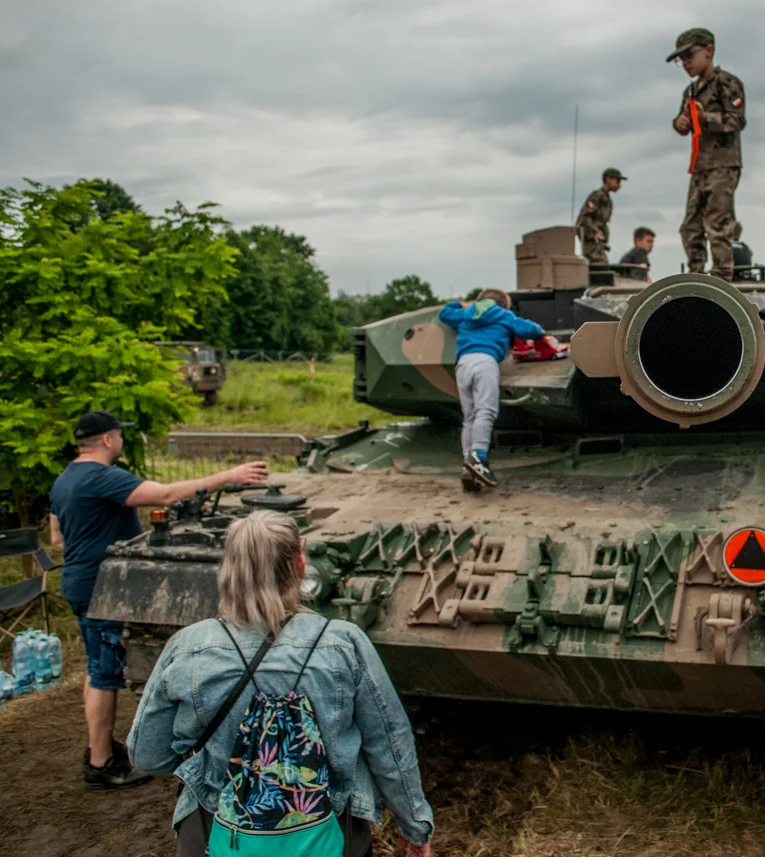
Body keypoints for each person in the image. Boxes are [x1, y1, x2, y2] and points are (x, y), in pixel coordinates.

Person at [127, 511, 434, 857]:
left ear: (227, 569)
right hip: (329, 833)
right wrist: (415, 825)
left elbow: (146, 755)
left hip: (217, 833)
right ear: (300, 566)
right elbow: (389, 744)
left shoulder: (187, 646)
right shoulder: (343, 643)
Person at [48, 409, 268, 791]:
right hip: (104, 588)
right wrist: (228, 476)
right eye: (119, 435)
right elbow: (165, 494)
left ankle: (100, 747)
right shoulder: (102, 476)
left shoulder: (65, 479)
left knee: (95, 665)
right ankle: (101, 765)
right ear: (107, 439)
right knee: (104, 674)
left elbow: (56, 538)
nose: (120, 440)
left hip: (78, 581)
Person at [438, 290, 545, 487]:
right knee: (486, 411)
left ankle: (468, 465)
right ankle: (479, 458)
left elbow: (444, 313)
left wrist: (460, 303)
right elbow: (532, 330)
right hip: (485, 362)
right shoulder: (504, 315)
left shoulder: (467, 313)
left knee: (469, 416)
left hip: (463, 364)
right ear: (503, 304)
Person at [668, 28, 745, 281]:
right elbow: (682, 124)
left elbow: (737, 120)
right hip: (700, 165)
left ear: (709, 50)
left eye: (689, 55)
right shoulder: (691, 92)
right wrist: (680, 123)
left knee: (717, 223)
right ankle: (696, 278)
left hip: (723, 163)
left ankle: (721, 278)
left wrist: (706, 118)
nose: (685, 63)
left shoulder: (727, 83)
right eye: (681, 59)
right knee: (690, 227)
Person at [575, 168, 626, 265]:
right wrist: (594, 232)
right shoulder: (597, 196)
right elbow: (584, 217)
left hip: (599, 244)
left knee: (602, 265)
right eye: (617, 181)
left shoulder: (606, 198)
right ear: (608, 179)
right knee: (598, 266)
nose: (619, 185)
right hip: (592, 243)